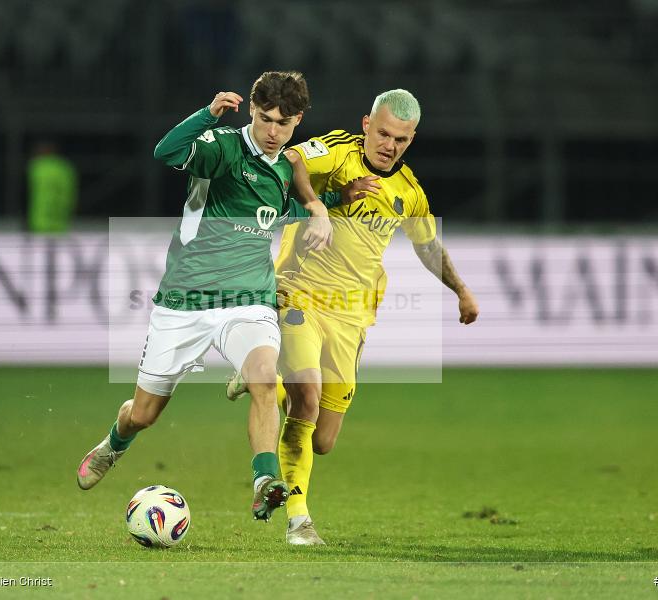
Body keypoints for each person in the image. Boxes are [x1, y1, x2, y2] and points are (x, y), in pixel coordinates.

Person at [76, 71, 336, 522]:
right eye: (265, 119)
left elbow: (277, 213)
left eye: (284, 123)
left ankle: (264, 480)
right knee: (143, 413)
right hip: (186, 300)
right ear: (252, 111)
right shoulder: (223, 147)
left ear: (297, 121)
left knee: (264, 378)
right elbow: (166, 152)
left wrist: (322, 209)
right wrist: (206, 116)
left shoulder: (284, 167)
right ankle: (113, 444)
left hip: (248, 298)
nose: (273, 132)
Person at [227, 89, 480, 543]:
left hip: (351, 317)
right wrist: (325, 201)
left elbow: (426, 246)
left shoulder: (409, 192)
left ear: (411, 139)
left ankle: (262, 374)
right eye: (383, 133)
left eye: (401, 139)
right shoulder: (337, 152)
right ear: (367, 124)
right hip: (299, 293)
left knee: (322, 439)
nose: (390, 145)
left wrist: (460, 289)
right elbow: (288, 163)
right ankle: (298, 519)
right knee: (306, 396)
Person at [27, 141, 78, 234]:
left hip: (39, 222)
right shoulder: (65, 167)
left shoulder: (36, 167)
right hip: (61, 222)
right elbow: (71, 193)